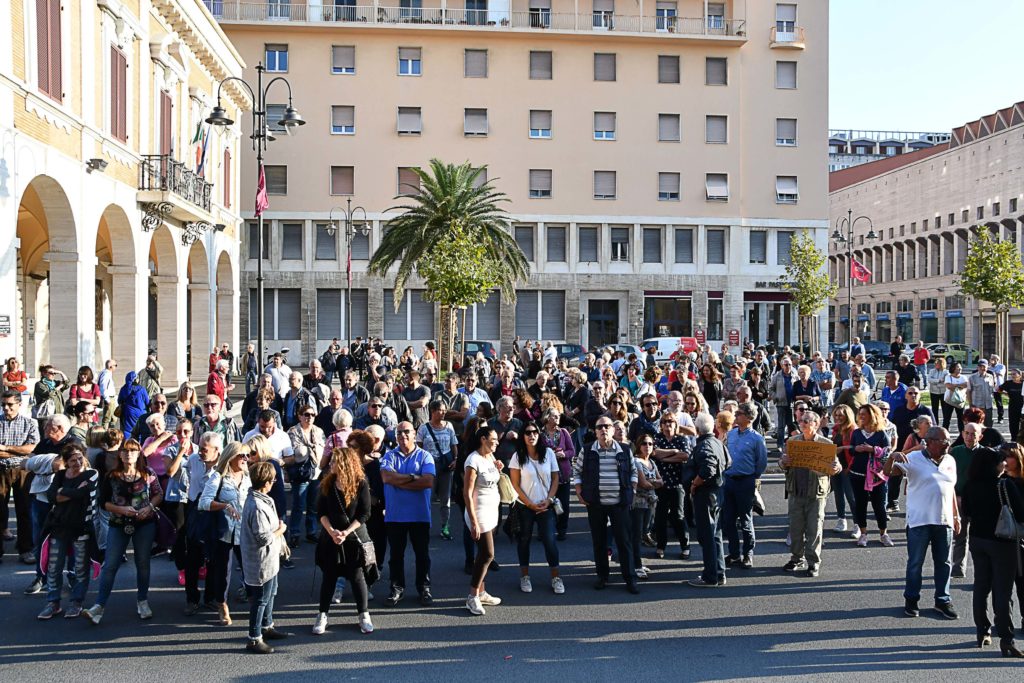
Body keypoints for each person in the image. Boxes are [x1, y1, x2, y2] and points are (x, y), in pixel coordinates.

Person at [884, 426, 960, 620]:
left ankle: (942, 600)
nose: (948, 444)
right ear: (930, 442)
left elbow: (950, 489)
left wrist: (956, 516)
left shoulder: (950, 460)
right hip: (919, 522)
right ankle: (911, 600)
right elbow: (887, 473)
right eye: (944, 441)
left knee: (944, 563)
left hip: (944, 521)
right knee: (915, 563)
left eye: (948, 441)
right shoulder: (913, 458)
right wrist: (893, 457)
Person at [84, 439, 164, 624]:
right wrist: (121, 509)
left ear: (139, 454)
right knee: (110, 565)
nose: (129, 454)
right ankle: (99, 606)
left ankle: (142, 601)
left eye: (133, 451)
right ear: (120, 454)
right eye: (125, 451)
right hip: (118, 524)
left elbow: (158, 494)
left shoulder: (147, 473)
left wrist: (149, 508)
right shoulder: (112, 476)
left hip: (144, 524)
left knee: (142, 563)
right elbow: (103, 502)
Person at [963, 445, 1024, 655]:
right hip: (1002, 542)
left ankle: (982, 630)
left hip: (977, 539)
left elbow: (967, 511)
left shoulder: (970, 485)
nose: (1004, 464)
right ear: (992, 465)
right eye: (1000, 461)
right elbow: (1020, 513)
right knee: (1003, 591)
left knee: (981, 587)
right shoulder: (1004, 485)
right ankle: (1006, 638)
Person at [573, 416, 639, 594]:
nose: (603, 430)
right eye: (599, 427)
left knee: (624, 542)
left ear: (613, 429)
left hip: (619, 503)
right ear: (595, 432)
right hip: (595, 503)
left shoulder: (624, 449)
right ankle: (602, 576)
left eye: (607, 426)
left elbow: (633, 471)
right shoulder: (587, 450)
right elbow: (577, 472)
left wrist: (632, 490)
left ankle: (630, 578)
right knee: (599, 542)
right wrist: (579, 492)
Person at [313, 446, 374, 634]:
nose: (330, 464)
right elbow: (321, 512)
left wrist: (346, 532)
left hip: (354, 537)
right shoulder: (327, 483)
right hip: (331, 537)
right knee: (329, 576)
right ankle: (322, 615)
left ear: (345, 463)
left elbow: (365, 513)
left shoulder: (360, 483)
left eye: (334, 461)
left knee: (356, 576)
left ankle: (364, 615)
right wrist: (332, 532)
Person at [37, 443, 98, 620]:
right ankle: (53, 602)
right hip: (58, 527)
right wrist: (73, 491)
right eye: (72, 460)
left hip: (81, 528)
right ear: (65, 462)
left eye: (80, 458)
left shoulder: (91, 474)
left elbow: (84, 493)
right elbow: (51, 497)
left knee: (80, 568)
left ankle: (76, 602)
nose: (77, 462)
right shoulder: (60, 475)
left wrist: (63, 492)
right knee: (54, 567)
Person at [380, 421, 436, 607]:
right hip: (395, 516)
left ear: (414, 434)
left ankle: (424, 588)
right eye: (399, 433)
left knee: (422, 555)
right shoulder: (389, 455)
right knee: (396, 556)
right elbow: (386, 477)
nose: (402, 435)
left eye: (406, 432)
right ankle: (396, 588)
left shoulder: (425, 456)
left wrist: (399, 481)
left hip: (420, 515)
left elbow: (427, 482)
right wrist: (413, 477)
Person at [780, 411, 841, 577]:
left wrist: (836, 467)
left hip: (816, 493)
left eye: (807, 421)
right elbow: (783, 462)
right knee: (795, 528)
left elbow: (836, 466)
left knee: (814, 529)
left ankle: (813, 562)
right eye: (801, 420)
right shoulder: (792, 441)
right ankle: (796, 558)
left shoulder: (826, 444)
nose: (803, 423)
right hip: (796, 491)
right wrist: (783, 462)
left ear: (816, 423)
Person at [199, 441, 252, 627]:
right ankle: (222, 605)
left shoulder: (248, 477)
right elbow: (203, 503)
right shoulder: (218, 477)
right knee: (223, 572)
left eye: (248, 455)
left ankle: (255, 603)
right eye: (242, 455)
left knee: (250, 569)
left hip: (245, 532)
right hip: (224, 532)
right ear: (231, 457)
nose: (246, 459)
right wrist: (225, 506)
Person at [241, 460, 290, 654]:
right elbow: (263, 538)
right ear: (267, 482)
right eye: (273, 480)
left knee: (271, 593)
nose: (274, 482)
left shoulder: (260, 498)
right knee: (261, 599)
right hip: (261, 561)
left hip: (269, 559)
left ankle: (267, 626)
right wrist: (281, 530)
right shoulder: (257, 506)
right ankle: (254, 638)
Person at [510, 424, 563, 595]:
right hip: (525, 506)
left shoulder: (548, 453)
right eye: (527, 433)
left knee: (549, 540)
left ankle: (556, 577)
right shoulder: (517, 456)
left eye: (535, 432)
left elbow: (555, 478)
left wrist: (549, 500)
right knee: (524, 540)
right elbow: (515, 484)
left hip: (545, 505)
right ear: (522, 436)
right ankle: (524, 576)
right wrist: (529, 504)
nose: (531, 435)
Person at [463, 426, 504, 615]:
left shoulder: (490, 457)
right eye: (494, 439)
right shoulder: (473, 460)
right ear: (483, 439)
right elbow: (467, 493)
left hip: (491, 511)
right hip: (479, 513)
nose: (497, 443)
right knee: (488, 554)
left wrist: (498, 468)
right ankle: (472, 597)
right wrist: (473, 521)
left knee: (482, 554)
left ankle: (481, 591)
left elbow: (492, 480)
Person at [722, 402, 768, 568]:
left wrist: (752, 477)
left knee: (746, 520)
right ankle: (734, 553)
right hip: (729, 480)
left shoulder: (757, 439)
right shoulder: (731, 434)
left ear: (749, 418)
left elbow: (761, 462)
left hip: (745, 481)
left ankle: (748, 554)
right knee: (728, 520)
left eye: (739, 413)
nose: (735, 415)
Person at [687, 413, 728, 587]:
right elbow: (728, 462)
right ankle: (719, 572)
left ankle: (710, 576)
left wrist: (695, 483)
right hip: (717, 492)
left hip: (706, 494)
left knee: (707, 536)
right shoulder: (718, 443)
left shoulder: (704, 445)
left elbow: (708, 468)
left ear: (697, 429)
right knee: (715, 534)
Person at [0, 390, 41, 563]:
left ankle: (25, 549)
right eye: (3, 404)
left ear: (19, 404)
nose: (6, 408)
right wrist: (19, 450)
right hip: (1, 470)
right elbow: (24, 449)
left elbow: (31, 448)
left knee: (24, 511)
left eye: (10, 404)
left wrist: (5, 448)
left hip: (23, 470)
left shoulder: (29, 423)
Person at [849, 403, 893, 546]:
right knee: (860, 505)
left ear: (872, 415)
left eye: (864, 414)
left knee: (879, 506)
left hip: (877, 476)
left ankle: (883, 533)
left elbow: (887, 453)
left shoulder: (881, 434)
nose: (861, 416)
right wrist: (856, 449)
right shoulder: (856, 432)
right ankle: (863, 534)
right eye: (860, 414)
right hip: (857, 474)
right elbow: (851, 450)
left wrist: (872, 449)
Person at [416, 400, 457, 540]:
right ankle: (424, 526)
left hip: (446, 466)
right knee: (427, 497)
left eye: (445, 410)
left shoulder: (449, 426)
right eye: (440, 410)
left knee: (446, 498)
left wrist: (455, 459)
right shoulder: (423, 428)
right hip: (429, 466)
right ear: (432, 411)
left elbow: (454, 444)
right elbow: (418, 447)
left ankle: (445, 527)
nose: (444, 412)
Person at [652, 413, 690, 560]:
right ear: (661, 425)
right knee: (660, 517)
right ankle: (661, 546)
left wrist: (664, 458)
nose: (668, 424)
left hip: (677, 483)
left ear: (676, 424)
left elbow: (685, 456)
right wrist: (674, 452)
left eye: (671, 422)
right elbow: (655, 453)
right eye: (665, 422)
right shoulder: (657, 438)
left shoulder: (682, 439)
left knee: (678, 516)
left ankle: (685, 546)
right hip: (660, 484)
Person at [286, 405, 325, 546]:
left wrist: (310, 448)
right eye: (306, 414)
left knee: (313, 505)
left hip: (316, 473)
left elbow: (323, 450)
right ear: (300, 416)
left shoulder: (318, 431)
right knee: (298, 505)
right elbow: (298, 453)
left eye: (312, 415)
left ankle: (311, 532)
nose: (309, 417)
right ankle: (294, 533)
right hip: (300, 473)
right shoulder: (293, 431)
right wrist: (313, 448)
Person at [949, 422, 983, 578]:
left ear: (980, 436)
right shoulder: (955, 452)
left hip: (978, 503)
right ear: (962, 434)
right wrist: (955, 497)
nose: (969, 437)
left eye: (973, 434)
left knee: (979, 538)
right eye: (967, 433)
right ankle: (958, 568)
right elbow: (948, 476)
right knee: (960, 536)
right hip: (959, 500)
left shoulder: (985, 454)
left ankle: (981, 570)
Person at [631, 434, 661, 581]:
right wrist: (653, 483)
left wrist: (652, 482)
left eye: (650, 444)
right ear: (638, 445)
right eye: (644, 443)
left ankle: (638, 563)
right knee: (636, 535)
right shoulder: (636, 462)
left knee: (644, 532)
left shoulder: (652, 462)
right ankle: (636, 565)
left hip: (650, 502)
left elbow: (661, 481)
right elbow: (643, 483)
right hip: (638, 503)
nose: (647, 446)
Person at [770, 356, 799, 450]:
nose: (788, 366)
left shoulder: (795, 375)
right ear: (782, 366)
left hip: (792, 404)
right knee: (781, 426)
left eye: (790, 364)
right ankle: (780, 444)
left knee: (791, 425)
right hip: (781, 404)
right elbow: (771, 389)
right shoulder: (777, 376)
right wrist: (776, 397)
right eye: (786, 365)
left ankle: (791, 443)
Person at [967, 359, 997, 429]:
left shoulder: (991, 376)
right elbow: (968, 392)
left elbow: (992, 389)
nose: (982, 368)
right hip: (977, 405)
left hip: (988, 405)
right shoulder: (972, 378)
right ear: (977, 367)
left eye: (984, 366)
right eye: (980, 366)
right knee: (976, 425)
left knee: (988, 425)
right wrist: (970, 404)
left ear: (987, 367)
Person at [942, 362, 969, 431]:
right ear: (953, 368)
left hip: (960, 401)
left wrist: (955, 385)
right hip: (949, 401)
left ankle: (962, 434)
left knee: (961, 419)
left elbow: (966, 385)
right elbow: (948, 386)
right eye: (958, 367)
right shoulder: (948, 377)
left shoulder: (963, 377)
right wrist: (960, 386)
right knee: (946, 419)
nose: (960, 368)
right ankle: (944, 433)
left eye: (960, 367)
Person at [1001, 368, 1024, 441]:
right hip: (1013, 406)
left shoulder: (1023, 383)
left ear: (1020, 375)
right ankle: (1013, 439)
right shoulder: (1008, 383)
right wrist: (1006, 394)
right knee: (1013, 424)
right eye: (1011, 374)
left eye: (1014, 374)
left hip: (1022, 407)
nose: (1012, 375)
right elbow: (999, 389)